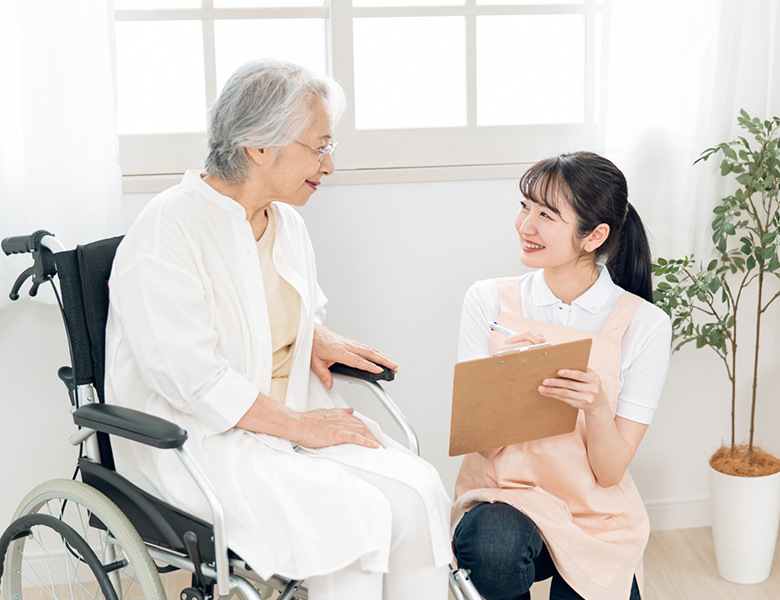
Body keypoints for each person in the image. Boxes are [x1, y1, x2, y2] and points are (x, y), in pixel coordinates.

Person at [104, 59, 452, 600]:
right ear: (259, 146)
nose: (329, 166)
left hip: (284, 414)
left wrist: (314, 333)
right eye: (320, 147)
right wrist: (300, 427)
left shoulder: (285, 222)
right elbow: (190, 379)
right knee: (349, 514)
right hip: (197, 441)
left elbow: (281, 307)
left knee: (418, 493)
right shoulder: (167, 229)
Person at [451, 152, 672, 600]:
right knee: (493, 543)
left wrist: (595, 406)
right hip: (505, 499)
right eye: (525, 206)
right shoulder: (488, 302)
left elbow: (609, 473)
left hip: (593, 512)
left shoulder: (644, 324)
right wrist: (502, 378)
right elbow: (485, 446)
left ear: (595, 236)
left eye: (546, 215)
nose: (525, 225)